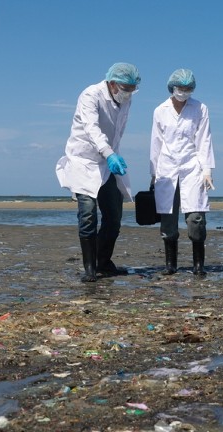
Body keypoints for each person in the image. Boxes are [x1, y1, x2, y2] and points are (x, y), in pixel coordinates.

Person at [56, 62, 140, 282]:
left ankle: (103, 261)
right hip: (83, 161)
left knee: (114, 217)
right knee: (88, 214)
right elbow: (91, 128)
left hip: (108, 162)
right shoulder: (90, 95)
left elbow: (118, 130)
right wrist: (108, 152)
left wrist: (113, 154)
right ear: (113, 84)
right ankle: (89, 268)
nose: (129, 93)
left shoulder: (125, 101)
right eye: (126, 88)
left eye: (132, 88)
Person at [149, 68, 215, 277]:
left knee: (195, 218)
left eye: (188, 89)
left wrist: (207, 170)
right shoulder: (160, 110)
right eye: (180, 88)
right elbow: (156, 143)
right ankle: (170, 265)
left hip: (192, 167)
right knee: (168, 218)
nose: (184, 92)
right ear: (172, 87)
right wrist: (153, 173)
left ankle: (198, 265)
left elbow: (204, 139)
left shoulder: (200, 108)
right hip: (166, 168)